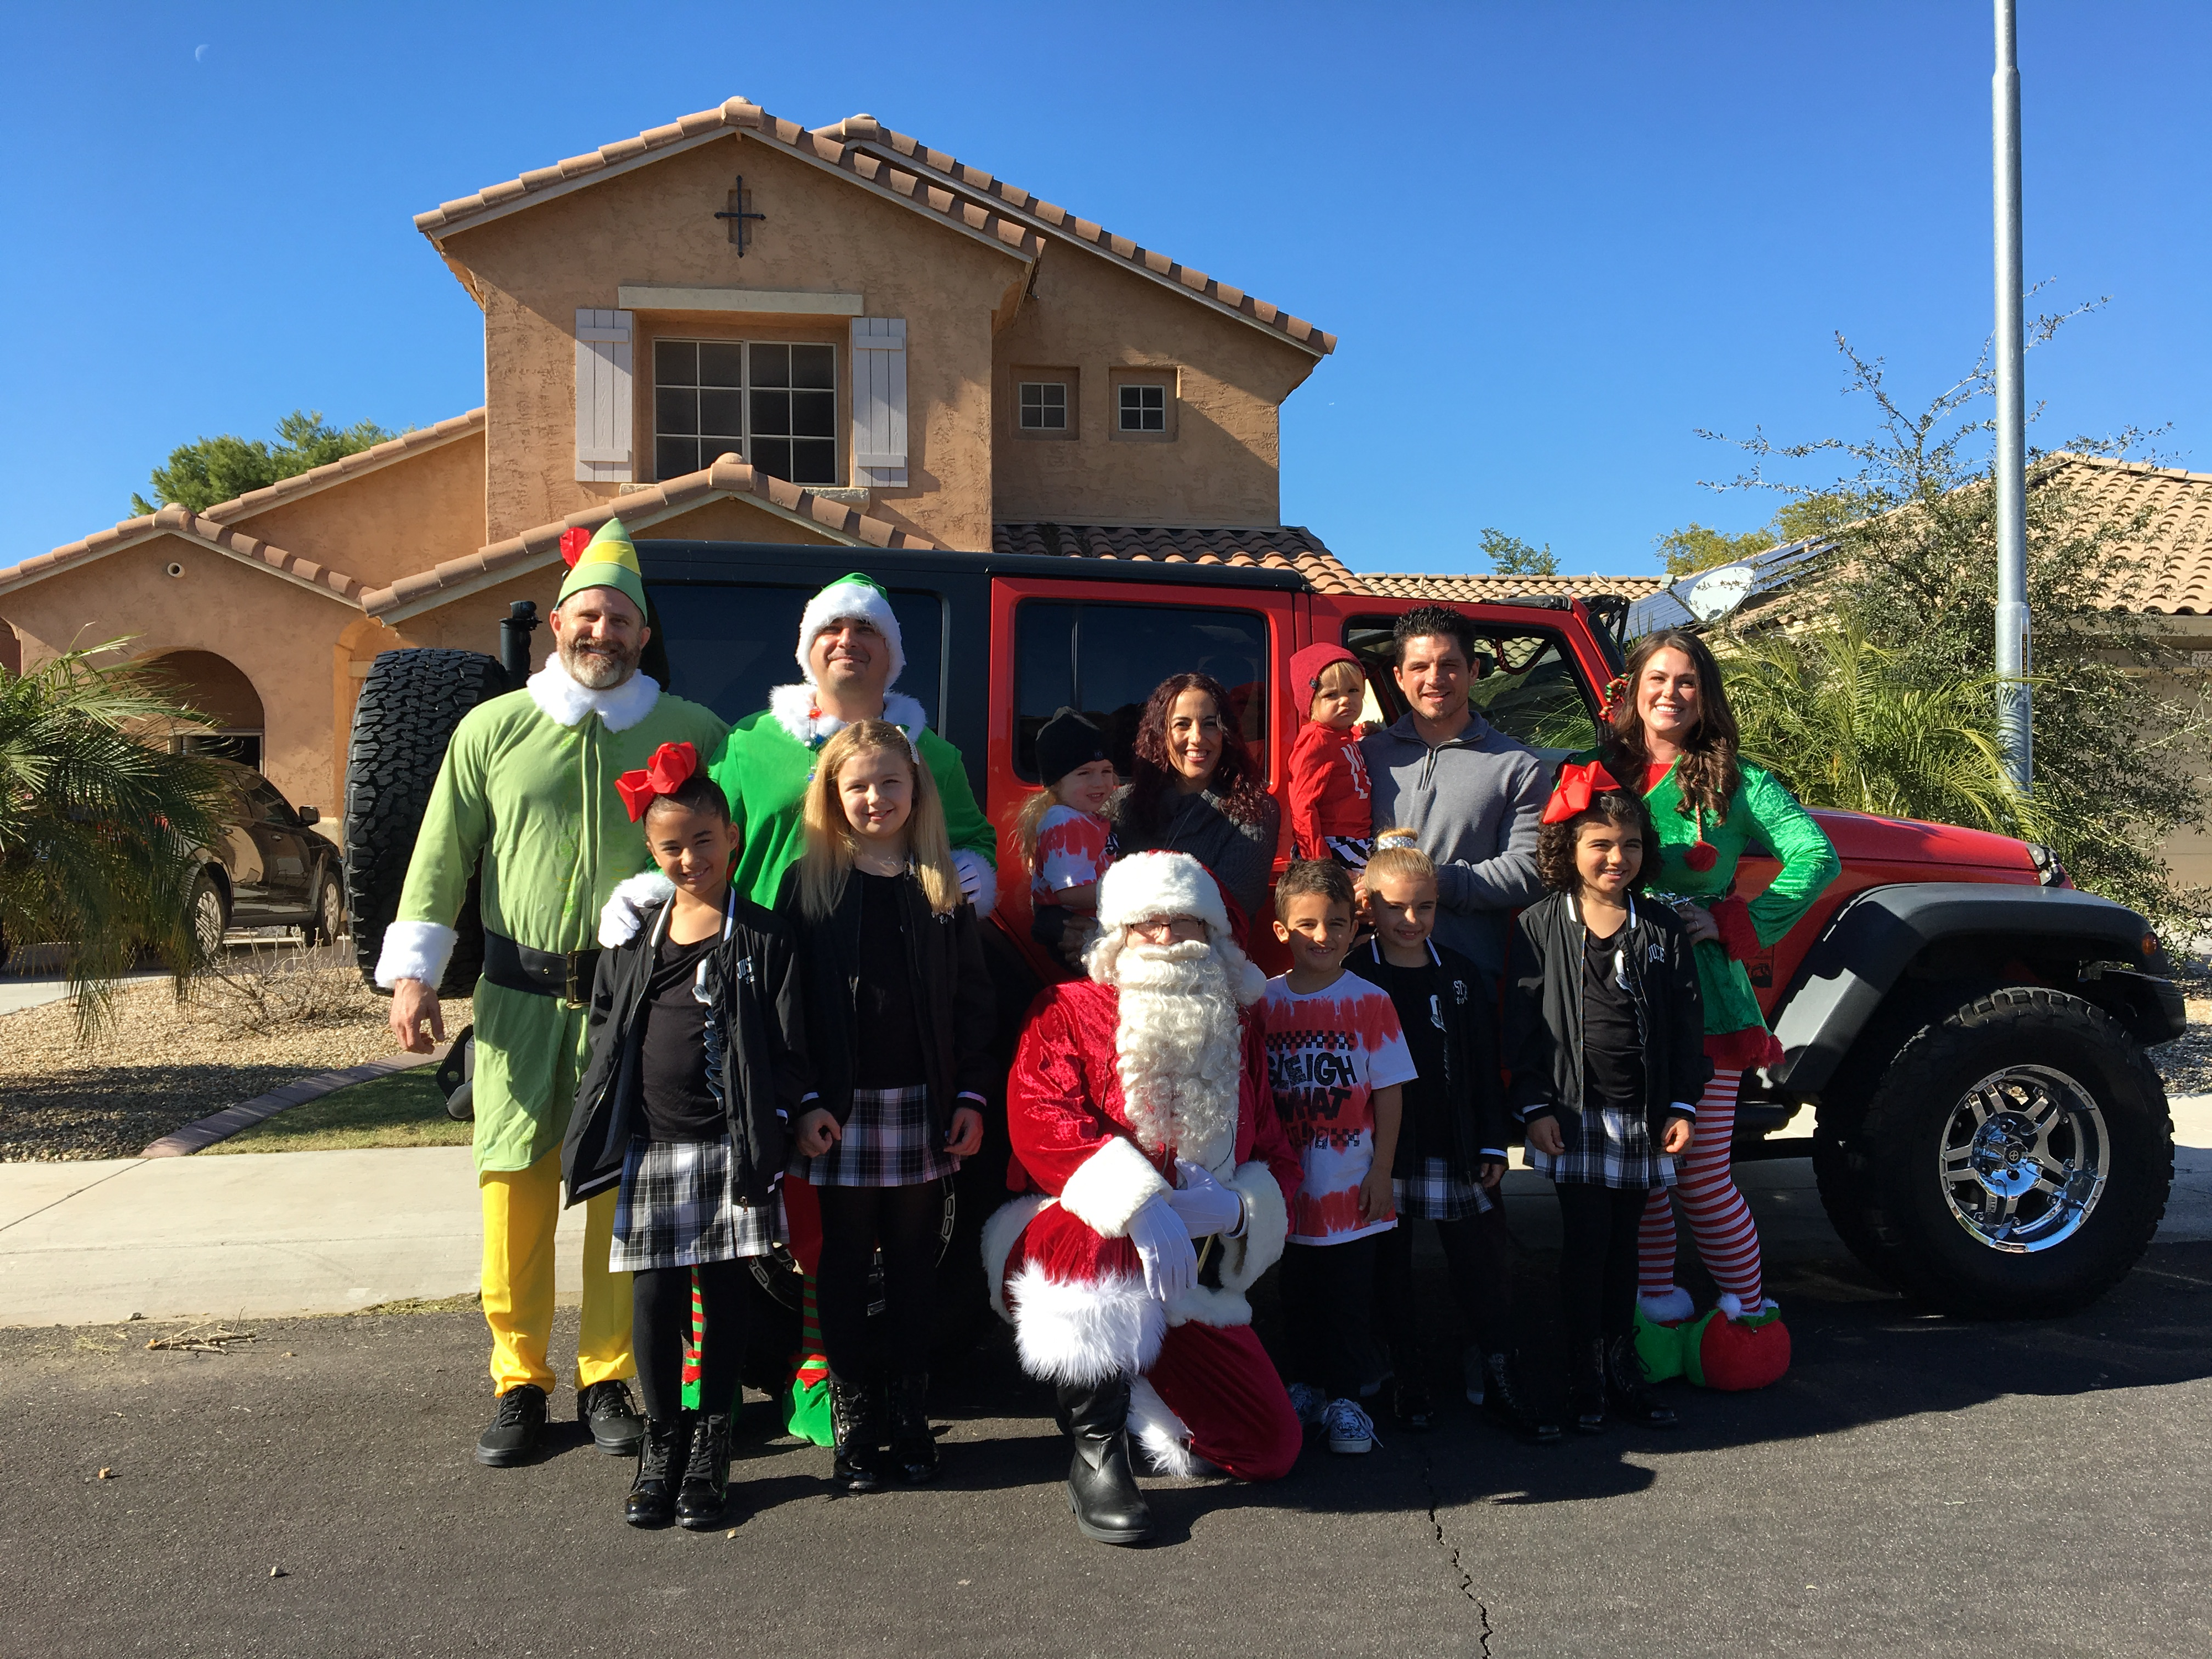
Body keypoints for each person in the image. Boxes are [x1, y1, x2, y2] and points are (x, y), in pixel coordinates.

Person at [606, 571, 1000, 1447]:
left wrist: (970, 874)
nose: (847, 643)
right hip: (767, 996)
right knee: (745, 1202)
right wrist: (657, 894)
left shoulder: (930, 755)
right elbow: (710, 837)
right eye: (832, 631)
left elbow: (968, 838)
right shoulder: (752, 744)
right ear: (806, 650)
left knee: (850, 1232)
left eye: (866, 630)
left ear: (893, 652)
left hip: (886, 1020)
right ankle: (713, 1404)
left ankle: (839, 1380)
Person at [380, 518, 728, 1469]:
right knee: (515, 1187)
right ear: (557, 627)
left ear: (643, 634)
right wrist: (415, 971)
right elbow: (442, 853)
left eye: (620, 619)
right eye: (587, 616)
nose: (602, 634)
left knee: (621, 1191)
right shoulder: (491, 728)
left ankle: (610, 1373)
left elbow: (727, 851)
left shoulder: (692, 732)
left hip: (634, 1001)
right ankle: (519, 1378)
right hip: (518, 1002)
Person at [984, 852, 1303, 1546]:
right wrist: (1136, 1202)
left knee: (1270, 1447)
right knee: (1097, 1226)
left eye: (1183, 923)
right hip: (1074, 1248)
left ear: (1213, 935)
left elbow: (1275, 1152)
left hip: (1190, 1271)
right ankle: (1097, 1453)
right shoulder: (1065, 1010)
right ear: (1117, 937)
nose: (1165, 938)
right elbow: (1040, 1119)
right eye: (1146, 925)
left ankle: (1150, 1382)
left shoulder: (1239, 1024)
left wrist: (1241, 1209)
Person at [562, 744, 811, 1529]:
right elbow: (607, 1029)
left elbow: (790, 1040)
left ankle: (713, 1443)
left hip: (730, 1146)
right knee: (656, 1296)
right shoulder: (638, 939)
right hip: (651, 1146)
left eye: (703, 840)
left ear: (731, 836)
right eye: (672, 846)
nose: (690, 857)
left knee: (725, 1292)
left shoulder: (765, 937)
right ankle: (662, 1441)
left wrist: (800, 1110)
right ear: (652, 850)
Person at [1598, 629, 1838, 1365]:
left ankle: (1749, 1320)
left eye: (1687, 683)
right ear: (1633, 692)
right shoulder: (1602, 774)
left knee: (1700, 1174)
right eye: (1658, 680)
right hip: (1616, 993)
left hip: (1703, 998)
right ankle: (1657, 1324)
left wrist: (1735, 923)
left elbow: (1817, 856)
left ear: (1705, 697)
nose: (1670, 694)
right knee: (1645, 1175)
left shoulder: (1738, 781)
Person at [781, 720, 994, 1493]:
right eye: (858, 786)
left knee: (913, 1264)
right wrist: (802, 1100)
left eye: (890, 783)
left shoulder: (941, 884)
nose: (876, 798)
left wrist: (970, 1093)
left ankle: (908, 1410)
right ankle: (853, 1419)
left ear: (916, 791)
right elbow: (788, 1011)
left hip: (924, 1106)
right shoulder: (810, 887)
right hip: (839, 1110)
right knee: (841, 1262)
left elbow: (974, 1003)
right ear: (834, 797)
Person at [1506, 762, 1707, 1431]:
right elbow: (1523, 1028)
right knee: (1586, 1244)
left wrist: (1681, 1105)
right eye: (1600, 843)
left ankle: (1624, 1371)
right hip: (1573, 1116)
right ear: (1569, 848)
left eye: (1629, 845)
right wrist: (1534, 1107)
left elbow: (1685, 1029)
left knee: (1628, 1247)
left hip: (1643, 1118)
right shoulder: (1539, 925)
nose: (1616, 858)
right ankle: (1582, 1375)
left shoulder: (1661, 928)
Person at [1355, 830, 1558, 1444]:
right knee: (1388, 1268)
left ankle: (1499, 1371)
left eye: (1425, 906)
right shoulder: (1354, 976)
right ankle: (1405, 1374)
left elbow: (1479, 1064)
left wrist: (1495, 1142)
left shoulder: (1462, 976)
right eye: (1395, 907)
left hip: (1457, 1143)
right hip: (1383, 1153)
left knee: (1480, 1262)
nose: (1411, 919)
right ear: (1369, 907)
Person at [1260, 859, 1414, 1456]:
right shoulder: (1265, 1003)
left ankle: (1347, 1401)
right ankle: (1304, 1387)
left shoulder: (1371, 1002)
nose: (1322, 937)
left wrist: (1382, 1172)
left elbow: (1390, 1092)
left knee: (1349, 1301)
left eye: (1336, 924)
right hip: (1287, 1188)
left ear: (1355, 930)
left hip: (1352, 1186)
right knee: (1296, 1296)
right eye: (1307, 924)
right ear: (1281, 931)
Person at [1360, 606, 1548, 981]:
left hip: (1469, 978)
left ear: (1473, 670)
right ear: (1398, 676)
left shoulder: (1517, 766)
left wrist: (1431, 883)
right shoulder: (1365, 758)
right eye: (1419, 667)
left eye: (1449, 665)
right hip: (1368, 974)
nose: (1434, 679)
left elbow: (1532, 870)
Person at [1103, 671, 1281, 936]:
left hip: (1206, 969)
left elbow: (1226, 908)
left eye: (1210, 724)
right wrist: (1068, 929)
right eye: (1182, 725)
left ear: (1226, 733)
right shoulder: (1120, 804)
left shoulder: (1255, 810)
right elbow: (1077, 881)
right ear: (1161, 734)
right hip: (1122, 965)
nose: (1197, 737)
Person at [1015, 706, 1117, 969]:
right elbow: (1071, 893)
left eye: (1106, 771)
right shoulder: (1064, 821)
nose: (1099, 782)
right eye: (1084, 773)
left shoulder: (1085, 816)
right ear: (1056, 782)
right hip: (1076, 931)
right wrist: (1133, 894)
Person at [1286, 643, 1374, 870]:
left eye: (1353, 691)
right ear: (1311, 703)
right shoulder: (1315, 740)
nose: (1345, 700)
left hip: (1358, 840)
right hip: (1335, 847)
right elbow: (1302, 805)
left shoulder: (1342, 735)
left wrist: (1366, 732)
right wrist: (1321, 863)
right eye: (1331, 695)